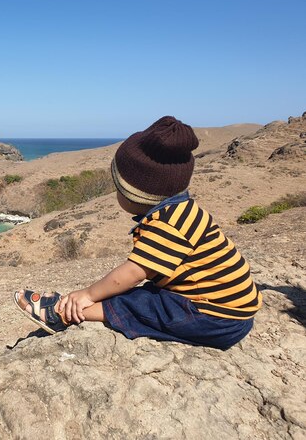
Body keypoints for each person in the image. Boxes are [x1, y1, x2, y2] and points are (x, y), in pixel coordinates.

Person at [14, 116, 262, 350]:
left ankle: (64, 314)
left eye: (117, 186)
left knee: (140, 304)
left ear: (135, 195)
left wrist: (87, 294)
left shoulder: (167, 226)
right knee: (143, 295)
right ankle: (77, 308)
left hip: (216, 319)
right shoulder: (183, 210)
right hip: (231, 310)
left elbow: (131, 274)